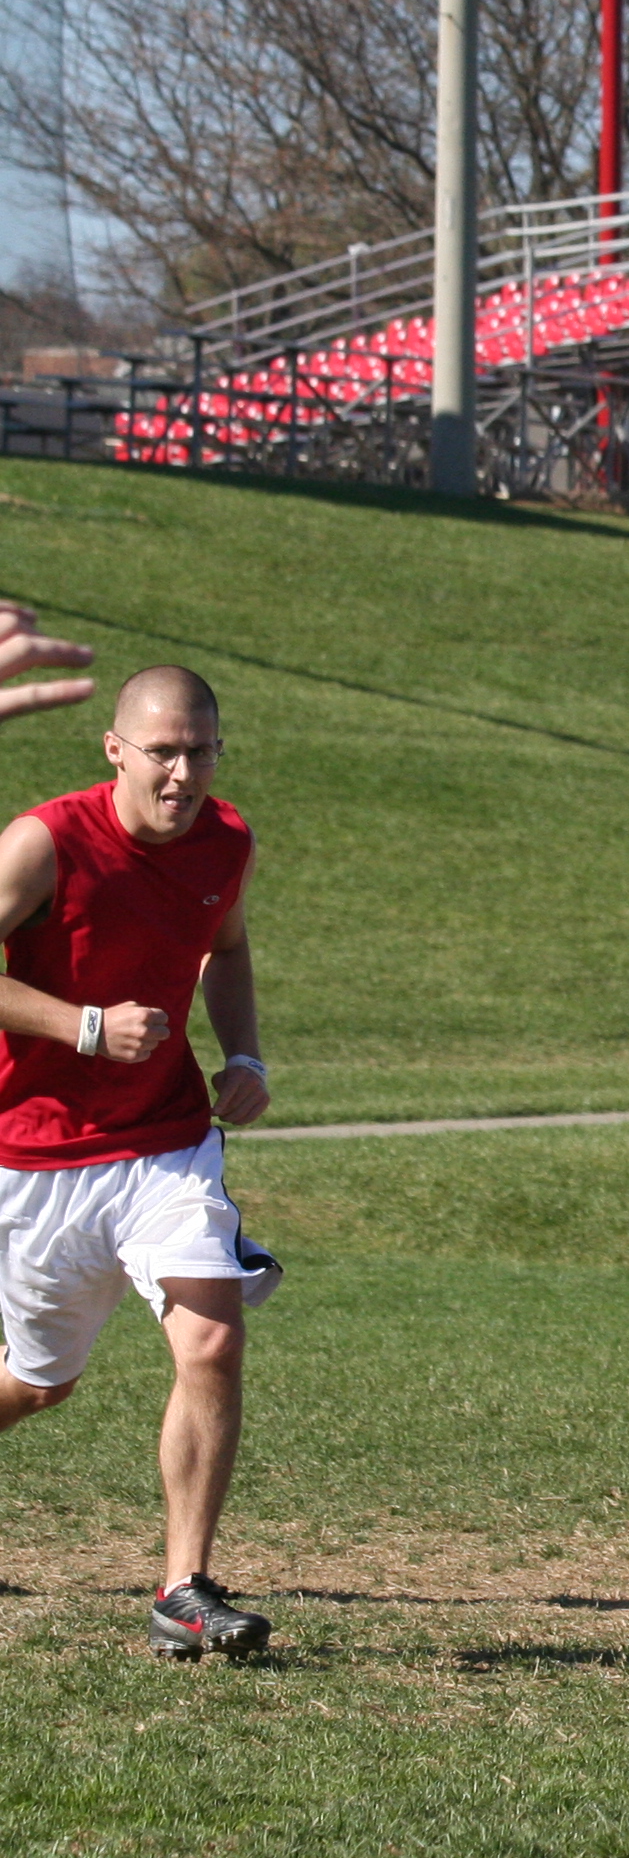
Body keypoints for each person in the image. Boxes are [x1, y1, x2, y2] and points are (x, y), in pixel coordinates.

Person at [0, 664, 280, 1658]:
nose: (183, 775)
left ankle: (184, 1589)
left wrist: (243, 1055)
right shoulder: (46, 842)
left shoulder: (226, 841)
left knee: (211, 1340)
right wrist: (83, 1026)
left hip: (166, 1141)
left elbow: (227, 947)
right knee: (39, 1384)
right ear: (114, 750)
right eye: (163, 752)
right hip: (38, 1155)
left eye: (201, 752)